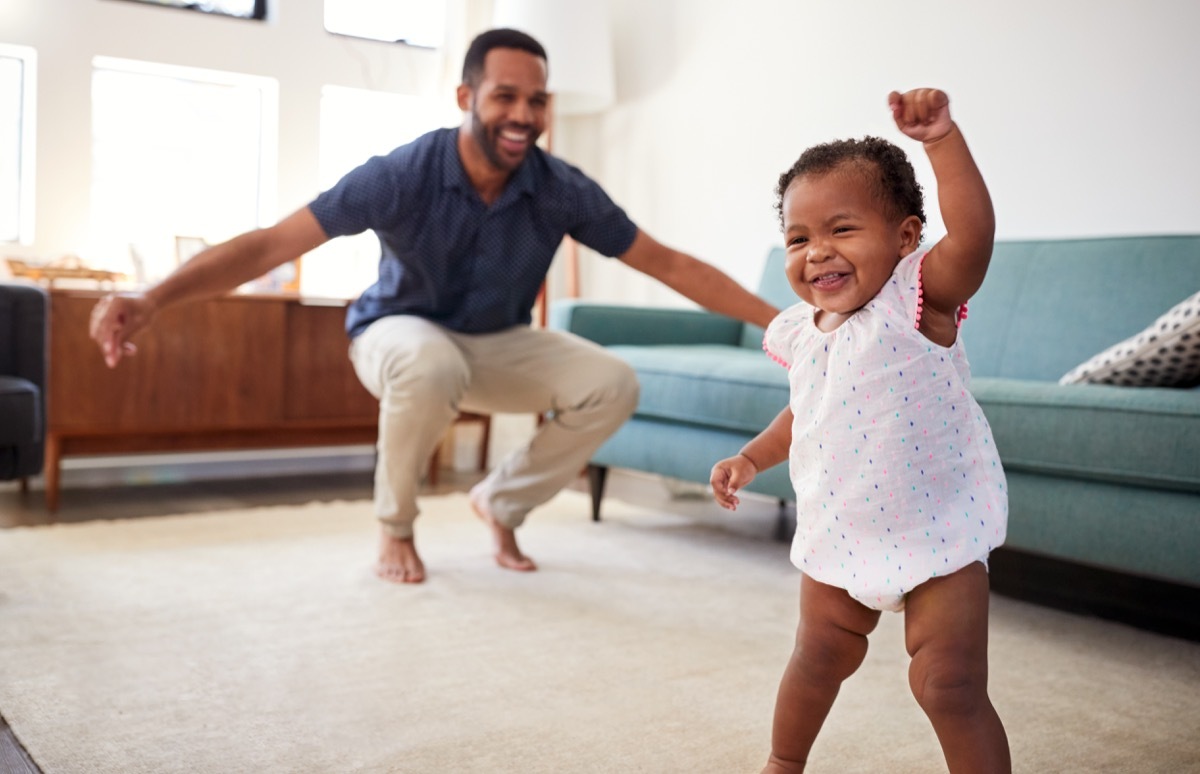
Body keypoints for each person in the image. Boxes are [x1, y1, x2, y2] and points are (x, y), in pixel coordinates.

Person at [89, 28, 778, 585]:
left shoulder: (560, 187)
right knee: (427, 361)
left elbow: (667, 262)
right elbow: (272, 243)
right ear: (465, 94)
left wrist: (779, 321)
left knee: (613, 382)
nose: (523, 115)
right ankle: (395, 526)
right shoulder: (401, 174)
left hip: (496, 341)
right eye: (506, 96)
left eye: (537, 101)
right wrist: (153, 298)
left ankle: (500, 502)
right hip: (396, 335)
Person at [709, 89, 1010, 773]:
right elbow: (807, 412)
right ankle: (784, 763)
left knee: (948, 684)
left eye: (842, 230)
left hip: (937, 531)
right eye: (798, 238)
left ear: (905, 239)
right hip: (841, 527)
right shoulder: (800, 332)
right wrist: (752, 459)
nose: (817, 253)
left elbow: (973, 238)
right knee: (817, 657)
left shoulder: (916, 301)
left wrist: (941, 142)